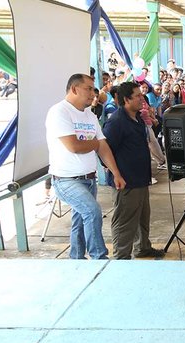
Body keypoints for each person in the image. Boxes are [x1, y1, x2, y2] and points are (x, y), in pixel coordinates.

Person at [46, 73, 125, 260]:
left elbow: (103, 146)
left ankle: (76, 259)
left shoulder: (89, 115)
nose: (93, 94)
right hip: (66, 180)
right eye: (88, 89)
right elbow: (74, 146)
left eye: (93, 89)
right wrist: (94, 144)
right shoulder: (60, 112)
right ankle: (99, 257)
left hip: (89, 179)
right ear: (74, 89)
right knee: (92, 211)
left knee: (80, 221)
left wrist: (116, 173)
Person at [102, 82, 165, 260]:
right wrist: (116, 174)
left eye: (141, 95)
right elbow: (104, 152)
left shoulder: (137, 118)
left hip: (141, 178)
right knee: (125, 220)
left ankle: (142, 247)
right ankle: (122, 256)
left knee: (142, 217)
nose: (141, 99)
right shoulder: (116, 122)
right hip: (126, 181)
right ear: (126, 100)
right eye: (137, 96)